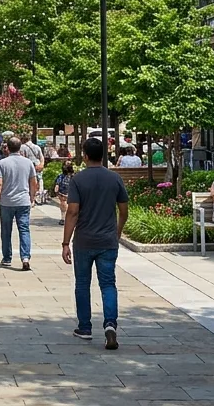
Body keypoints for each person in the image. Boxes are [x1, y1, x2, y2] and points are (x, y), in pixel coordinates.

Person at [63, 137, 129, 350]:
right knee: (108, 284)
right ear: (104, 154)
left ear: (84, 155)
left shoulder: (78, 180)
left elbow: (72, 211)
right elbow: (124, 210)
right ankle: (110, 324)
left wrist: (65, 242)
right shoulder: (114, 178)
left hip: (84, 240)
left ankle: (85, 327)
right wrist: (116, 233)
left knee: (82, 283)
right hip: (107, 240)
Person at [0, 137, 39, 270]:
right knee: (24, 229)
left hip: (7, 202)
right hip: (23, 201)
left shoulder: (2, 163)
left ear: (7, 148)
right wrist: (32, 196)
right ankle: (25, 257)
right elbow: (33, 182)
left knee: (6, 230)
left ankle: (7, 257)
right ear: (20, 147)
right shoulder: (28, 163)